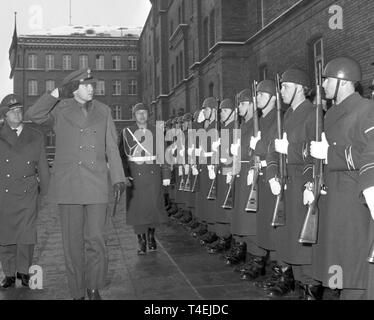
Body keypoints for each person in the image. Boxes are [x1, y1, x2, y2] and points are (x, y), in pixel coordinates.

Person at [25, 68, 126, 300]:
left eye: (93, 84)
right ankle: (77, 291)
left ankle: (93, 286)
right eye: (86, 84)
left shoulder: (104, 110)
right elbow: (33, 114)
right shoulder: (60, 109)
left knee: (97, 240)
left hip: (97, 184)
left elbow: (111, 146)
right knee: (72, 245)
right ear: (74, 88)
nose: (93, 88)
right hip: (69, 184)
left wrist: (118, 178)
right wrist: (55, 93)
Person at [310, 57, 374, 300]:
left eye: (328, 80)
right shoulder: (331, 113)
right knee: (338, 256)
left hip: (352, 199)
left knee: (352, 259)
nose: (323, 85)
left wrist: (329, 154)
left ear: (344, 82)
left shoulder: (366, 109)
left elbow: (366, 152)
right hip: (333, 196)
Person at [267, 69, 322, 299]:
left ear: (300, 87)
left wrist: (311, 186)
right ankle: (292, 279)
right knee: (287, 234)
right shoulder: (287, 115)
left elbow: (316, 152)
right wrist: (271, 173)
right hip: (285, 181)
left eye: (285, 86)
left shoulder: (313, 113)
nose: (281, 91)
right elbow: (272, 147)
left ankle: (310, 286)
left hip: (302, 183)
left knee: (303, 237)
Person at [0, 94, 49, 289]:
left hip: (28, 192)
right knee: (5, 236)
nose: (18, 113)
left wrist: (46, 191)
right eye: (13, 111)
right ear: (5, 114)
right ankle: (10, 273)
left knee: (27, 235)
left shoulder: (35, 135)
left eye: (19, 109)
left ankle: (24, 271)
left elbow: (43, 166)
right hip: (4, 193)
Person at [119, 103, 170, 255]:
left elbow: (165, 154)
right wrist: (124, 173)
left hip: (153, 173)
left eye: (144, 112)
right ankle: (140, 239)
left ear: (149, 114)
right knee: (137, 209)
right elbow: (121, 155)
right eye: (138, 113)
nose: (142, 115)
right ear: (134, 115)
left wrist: (166, 175)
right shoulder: (126, 132)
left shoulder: (157, 131)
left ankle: (151, 236)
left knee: (152, 207)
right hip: (134, 174)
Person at [241, 80, 279, 283]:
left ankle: (278, 267)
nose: (258, 99)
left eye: (262, 95)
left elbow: (274, 145)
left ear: (273, 97)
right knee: (261, 221)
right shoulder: (261, 119)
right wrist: (250, 168)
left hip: (272, 174)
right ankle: (260, 261)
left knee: (273, 224)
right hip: (259, 173)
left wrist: (261, 146)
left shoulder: (278, 118)